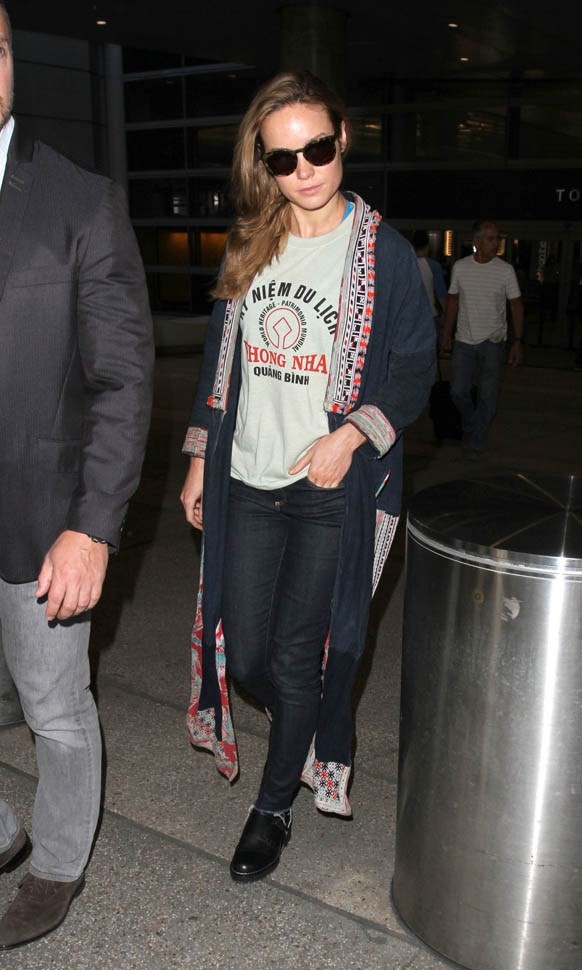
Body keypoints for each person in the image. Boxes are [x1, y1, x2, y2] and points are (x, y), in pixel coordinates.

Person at [180, 69, 435, 882]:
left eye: (317, 149)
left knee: (295, 657)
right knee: (248, 652)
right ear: (265, 165)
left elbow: (414, 369)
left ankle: (272, 806)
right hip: (247, 479)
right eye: (283, 159)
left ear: (342, 137)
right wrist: (199, 458)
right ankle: (301, 719)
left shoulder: (385, 254)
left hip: (329, 489)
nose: (305, 171)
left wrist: (353, 435)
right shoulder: (251, 242)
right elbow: (220, 363)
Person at [0, 4, 154, 950]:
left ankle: (55, 867)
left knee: (54, 710)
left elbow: (124, 379)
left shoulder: (79, 200)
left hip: (44, 518)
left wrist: (93, 527)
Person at [440, 219, 524, 456]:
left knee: (488, 396)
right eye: (490, 238)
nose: (495, 243)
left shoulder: (505, 271)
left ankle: (476, 439)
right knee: (458, 391)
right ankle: (472, 422)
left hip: (493, 341)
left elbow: (516, 305)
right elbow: (453, 301)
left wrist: (517, 341)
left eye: (497, 238)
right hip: (464, 340)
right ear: (476, 241)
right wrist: (446, 334)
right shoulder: (461, 267)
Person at [412, 229, 448, 341]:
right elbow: (441, 294)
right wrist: (446, 317)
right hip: (429, 315)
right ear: (427, 246)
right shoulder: (433, 266)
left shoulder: (405, 264)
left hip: (409, 316)